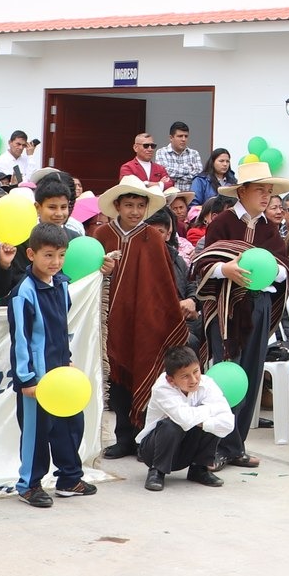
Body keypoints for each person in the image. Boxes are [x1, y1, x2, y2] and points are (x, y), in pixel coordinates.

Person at [188, 161, 289, 466]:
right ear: (242, 191)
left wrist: (270, 272)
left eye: (269, 191)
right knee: (223, 372)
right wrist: (226, 268)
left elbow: (285, 270)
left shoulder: (269, 229)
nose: (266, 196)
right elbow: (204, 263)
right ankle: (214, 446)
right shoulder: (222, 223)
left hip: (256, 306)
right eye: (260, 190)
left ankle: (236, 446)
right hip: (224, 308)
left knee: (251, 371)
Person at [91, 177, 197, 460]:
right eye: (129, 205)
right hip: (109, 318)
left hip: (144, 320)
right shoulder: (101, 235)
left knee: (146, 374)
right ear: (117, 206)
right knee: (117, 379)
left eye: (140, 205)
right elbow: (87, 274)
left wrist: (165, 318)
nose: (135, 211)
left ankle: (144, 438)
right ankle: (123, 437)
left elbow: (162, 285)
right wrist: (103, 272)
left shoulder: (152, 238)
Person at [8, 223, 95, 507]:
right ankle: (29, 484)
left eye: (60, 255)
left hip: (61, 373)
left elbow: (61, 328)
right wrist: (27, 379)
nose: (55, 262)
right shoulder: (24, 292)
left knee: (70, 424)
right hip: (38, 378)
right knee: (36, 431)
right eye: (48, 255)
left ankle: (69, 478)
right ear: (31, 254)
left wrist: (66, 359)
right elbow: (20, 338)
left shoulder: (61, 284)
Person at [137, 346, 232, 491]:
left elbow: (228, 423)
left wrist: (201, 421)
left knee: (212, 424)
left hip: (186, 450)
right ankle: (157, 471)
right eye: (185, 376)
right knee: (172, 424)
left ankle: (198, 469)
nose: (193, 380)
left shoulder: (208, 384)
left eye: (196, 372)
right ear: (171, 380)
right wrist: (212, 410)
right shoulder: (162, 388)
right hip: (154, 450)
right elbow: (184, 420)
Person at [154, 122, 202, 190]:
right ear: (171, 138)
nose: (183, 139)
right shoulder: (161, 152)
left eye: (186, 136)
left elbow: (198, 176)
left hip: (190, 197)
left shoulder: (194, 153)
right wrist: (188, 171)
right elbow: (165, 174)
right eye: (180, 136)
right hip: (169, 197)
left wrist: (174, 177)